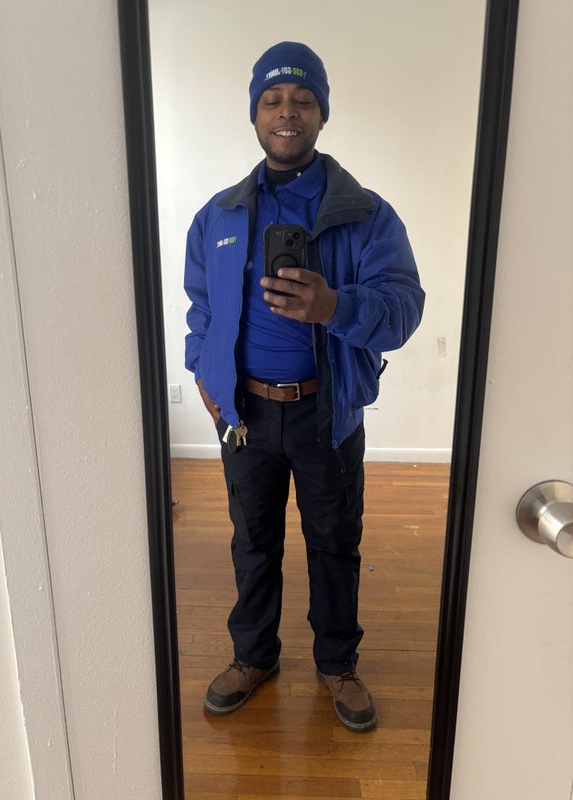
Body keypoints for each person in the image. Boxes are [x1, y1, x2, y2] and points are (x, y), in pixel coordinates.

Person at [184, 41, 424, 732]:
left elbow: (403, 308)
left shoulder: (366, 214)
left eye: (302, 99)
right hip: (246, 415)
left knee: (334, 542)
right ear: (255, 113)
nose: (286, 112)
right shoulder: (219, 216)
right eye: (272, 100)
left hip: (328, 412)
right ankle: (253, 655)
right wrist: (205, 373)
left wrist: (334, 306)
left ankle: (337, 663)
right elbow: (200, 308)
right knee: (252, 542)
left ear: (321, 113)